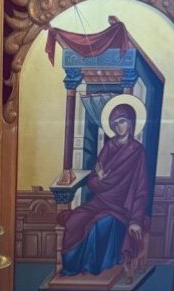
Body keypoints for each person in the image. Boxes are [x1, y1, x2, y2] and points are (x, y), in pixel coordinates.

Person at [59, 103, 148, 276]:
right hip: (100, 201)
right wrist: (100, 180)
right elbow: (92, 182)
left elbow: (141, 187)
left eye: (122, 121)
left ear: (130, 122)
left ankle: (91, 267)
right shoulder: (108, 147)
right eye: (115, 123)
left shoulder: (137, 151)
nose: (119, 126)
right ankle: (71, 266)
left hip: (121, 207)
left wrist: (136, 219)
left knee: (99, 225)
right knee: (74, 220)